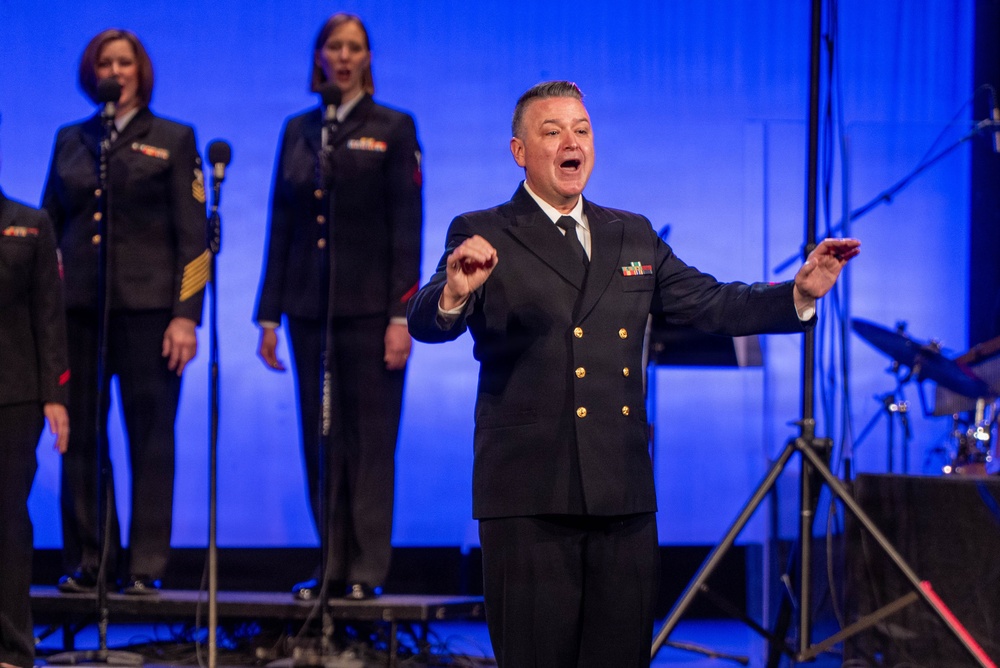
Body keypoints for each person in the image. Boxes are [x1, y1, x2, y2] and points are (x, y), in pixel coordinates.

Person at [406, 80, 860, 667]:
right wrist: (455, 292)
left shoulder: (632, 233)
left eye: (582, 130)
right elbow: (426, 320)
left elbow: (712, 302)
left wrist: (797, 293)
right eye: (553, 132)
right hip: (529, 494)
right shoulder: (486, 229)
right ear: (519, 151)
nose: (572, 143)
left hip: (620, 489)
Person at [255, 12, 423, 601]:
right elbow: (281, 223)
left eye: (355, 47)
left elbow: (408, 228)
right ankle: (329, 564)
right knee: (320, 438)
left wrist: (403, 316)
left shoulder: (394, 127)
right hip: (308, 311)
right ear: (320, 56)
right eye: (334, 46)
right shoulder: (300, 129)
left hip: (374, 314)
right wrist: (268, 314)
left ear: (368, 58)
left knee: (371, 443)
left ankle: (367, 569)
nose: (344, 56)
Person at [42, 28, 208, 596]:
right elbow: (49, 226)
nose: (116, 71)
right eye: (105, 62)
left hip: (149, 313)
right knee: (82, 437)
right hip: (78, 312)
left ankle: (145, 565)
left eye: (125, 62)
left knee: (150, 438)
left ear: (141, 71)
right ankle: (90, 558)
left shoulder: (173, 137)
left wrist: (186, 315)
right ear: (93, 73)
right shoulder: (71, 139)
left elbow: (195, 240)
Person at [0, 126, 70, 668]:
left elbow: (49, 316)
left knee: (6, 520)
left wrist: (55, 396)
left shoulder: (30, 223)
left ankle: (12, 647)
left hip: (13, 396)